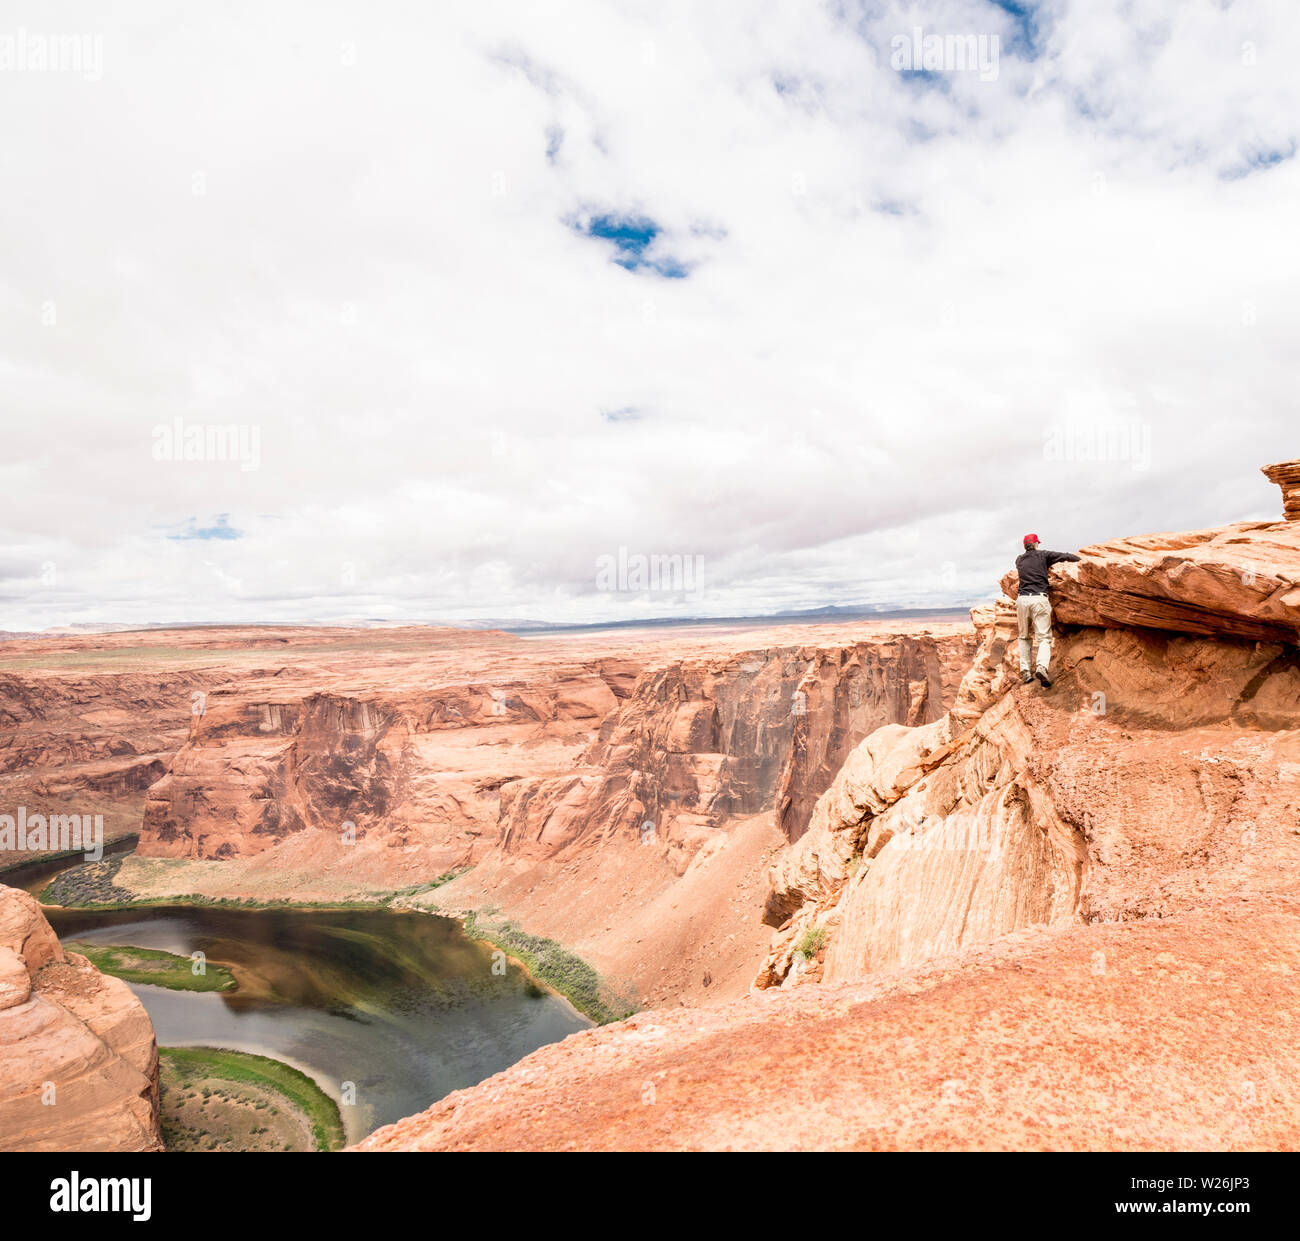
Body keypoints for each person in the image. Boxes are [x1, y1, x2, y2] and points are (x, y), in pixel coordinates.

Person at [1014, 534, 1080, 688]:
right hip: (1039, 599)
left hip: (1022, 600)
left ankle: (1025, 671)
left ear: (1025, 546)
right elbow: (1065, 556)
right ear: (1036, 544)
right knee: (1043, 638)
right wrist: (1081, 559)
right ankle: (1041, 667)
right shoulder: (1044, 555)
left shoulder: (1019, 560)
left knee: (1023, 636)